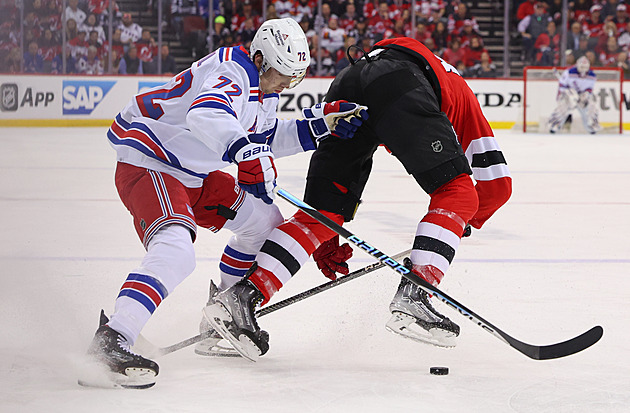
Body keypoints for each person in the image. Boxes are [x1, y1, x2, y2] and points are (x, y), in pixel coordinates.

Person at [80, 17, 367, 388]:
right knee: (176, 251)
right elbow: (207, 113)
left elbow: (264, 134)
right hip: (151, 164)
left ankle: (225, 313)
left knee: (265, 222)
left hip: (191, 173)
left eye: (293, 78)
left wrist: (318, 127)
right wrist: (246, 152)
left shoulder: (264, 88)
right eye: (282, 74)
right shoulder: (233, 69)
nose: (284, 84)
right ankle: (113, 338)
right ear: (260, 58)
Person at [203, 37, 512, 360]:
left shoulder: (409, 68)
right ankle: (416, 294)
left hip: (348, 82)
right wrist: (460, 222)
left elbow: (384, 126)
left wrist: (327, 238)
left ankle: (239, 298)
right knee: (459, 193)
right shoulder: (462, 96)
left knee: (321, 216)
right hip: (398, 82)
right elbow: (497, 186)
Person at [548, 56, 600, 134]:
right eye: (582, 67)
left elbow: (589, 89)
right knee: (563, 106)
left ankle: (592, 126)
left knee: (591, 106)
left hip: (581, 96)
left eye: (585, 67)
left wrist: (585, 95)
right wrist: (570, 93)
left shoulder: (592, 75)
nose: (583, 69)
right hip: (567, 94)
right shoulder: (569, 72)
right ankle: (554, 124)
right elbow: (562, 86)